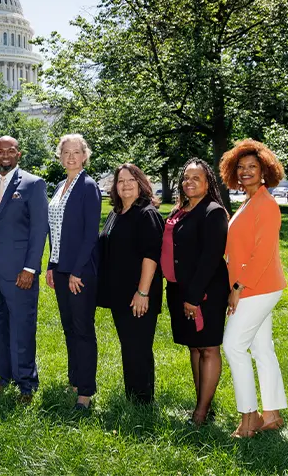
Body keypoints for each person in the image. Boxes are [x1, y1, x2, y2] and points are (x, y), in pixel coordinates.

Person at [219, 139, 288, 438]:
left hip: (257, 287)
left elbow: (261, 253)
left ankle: (250, 418)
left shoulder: (266, 204)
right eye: (242, 167)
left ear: (264, 171)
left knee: (233, 345)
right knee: (261, 348)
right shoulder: (249, 201)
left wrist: (237, 286)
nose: (246, 172)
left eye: (253, 167)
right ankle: (271, 415)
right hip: (256, 285)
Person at [0, 136, 49, 404]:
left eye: (10, 151)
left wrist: (30, 268)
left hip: (20, 271)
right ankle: (4, 376)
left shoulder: (33, 184)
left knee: (22, 327)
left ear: (19, 154)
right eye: (0, 151)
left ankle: (26, 384)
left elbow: (39, 230)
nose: (5, 155)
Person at [161, 158, 230, 426]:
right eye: (185, 178)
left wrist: (193, 297)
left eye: (196, 178)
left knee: (209, 347)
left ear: (207, 182)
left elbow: (211, 258)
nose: (189, 183)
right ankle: (203, 403)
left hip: (205, 292)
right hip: (180, 290)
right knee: (195, 347)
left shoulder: (212, 212)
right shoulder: (182, 210)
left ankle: (200, 414)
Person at [97, 163, 163, 405]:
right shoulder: (117, 212)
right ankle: (133, 397)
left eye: (131, 180)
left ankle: (144, 402)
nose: (125, 185)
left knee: (139, 348)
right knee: (130, 346)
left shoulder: (147, 213)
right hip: (120, 294)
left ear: (141, 184)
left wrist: (142, 292)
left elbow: (151, 256)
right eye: (120, 181)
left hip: (139, 294)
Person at [45, 134, 101, 410]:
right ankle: (76, 379)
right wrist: (51, 267)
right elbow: (54, 231)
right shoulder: (59, 187)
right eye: (65, 152)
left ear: (84, 156)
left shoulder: (88, 187)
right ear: (60, 156)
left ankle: (86, 392)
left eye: (76, 152)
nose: (70, 157)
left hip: (80, 272)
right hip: (62, 268)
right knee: (69, 329)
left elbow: (91, 234)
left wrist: (77, 271)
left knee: (83, 330)